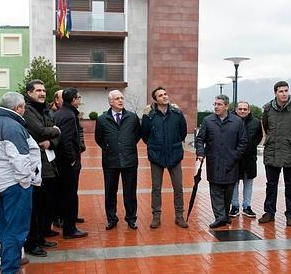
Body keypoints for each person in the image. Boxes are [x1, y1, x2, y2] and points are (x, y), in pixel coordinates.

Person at [0, 92, 41, 274]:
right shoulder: (12, 126)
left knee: (5, 227)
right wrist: (26, 182)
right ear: (17, 108)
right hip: (15, 185)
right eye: (23, 106)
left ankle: (11, 260)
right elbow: (20, 160)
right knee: (16, 229)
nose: (24, 110)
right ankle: (9, 268)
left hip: (0, 183)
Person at [258, 81, 291, 227]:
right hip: (272, 151)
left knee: (290, 185)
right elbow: (266, 127)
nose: (284, 93)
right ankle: (269, 212)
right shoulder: (268, 109)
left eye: (286, 90)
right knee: (271, 184)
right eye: (281, 91)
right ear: (275, 93)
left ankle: (290, 214)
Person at [195, 95, 248, 229]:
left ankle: (224, 215)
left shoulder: (237, 121)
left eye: (219, 104)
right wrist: (200, 152)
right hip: (214, 161)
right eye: (215, 104)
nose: (216, 107)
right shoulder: (208, 121)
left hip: (231, 162)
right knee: (216, 190)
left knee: (228, 191)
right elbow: (200, 139)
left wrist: (235, 155)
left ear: (226, 106)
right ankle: (220, 217)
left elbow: (243, 142)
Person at [22, 80, 61, 257]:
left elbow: (52, 137)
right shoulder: (28, 110)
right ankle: (32, 242)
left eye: (44, 90)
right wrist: (55, 130)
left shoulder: (45, 109)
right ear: (29, 93)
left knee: (46, 204)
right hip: (36, 165)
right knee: (35, 206)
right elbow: (38, 131)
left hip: (49, 163)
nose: (42, 93)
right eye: (38, 90)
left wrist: (52, 140)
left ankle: (41, 236)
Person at [141, 87, 188, 229]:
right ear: (155, 99)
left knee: (178, 187)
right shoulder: (149, 115)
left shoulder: (177, 113)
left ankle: (179, 216)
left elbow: (183, 132)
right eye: (161, 95)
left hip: (174, 155)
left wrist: (174, 143)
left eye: (165, 94)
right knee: (156, 188)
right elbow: (144, 135)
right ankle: (156, 216)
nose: (164, 97)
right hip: (156, 156)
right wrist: (155, 145)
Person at [95, 90, 141, 230]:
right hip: (110, 161)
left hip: (129, 160)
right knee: (110, 191)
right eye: (117, 99)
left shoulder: (132, 117)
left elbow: (137, 135)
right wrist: (109, 148)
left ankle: (131, 218)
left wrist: (128, 147)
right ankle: (111, 219)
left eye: (121, 98)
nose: (120, 100)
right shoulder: (102, 119)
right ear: (110, 102)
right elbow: (99, 138)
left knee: (130, 192)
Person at [54, 87, 88, 239]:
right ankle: (70, 229)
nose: (80, 99)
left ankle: (68, 223)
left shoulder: (61, 112)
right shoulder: (68, 115)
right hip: (68, 163)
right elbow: (66, 140)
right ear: (74, 99)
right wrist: (72, 160)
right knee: (70, 195)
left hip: (62, 162)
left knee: (65, 194)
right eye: (78, 97)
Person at [229, 101, 262, 218]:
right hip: (235, 158)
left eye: (245, 109)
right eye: (240, 109)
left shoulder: (256, 122)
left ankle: (247, 206)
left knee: (248, 184)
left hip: (249, 159)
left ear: (249, 110)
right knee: (234, 183)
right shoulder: (230, 121)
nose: (242, 111)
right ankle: (234, 206)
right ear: (236, 109)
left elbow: (259, 137)